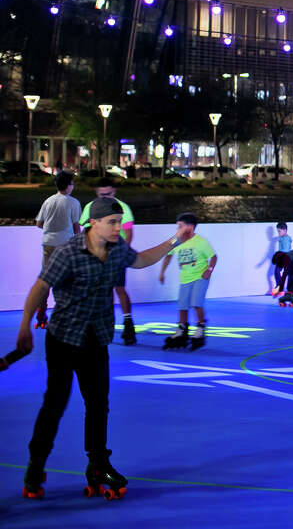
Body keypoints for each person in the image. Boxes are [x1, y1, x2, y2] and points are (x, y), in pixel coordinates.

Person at [16, 197, 195, 500]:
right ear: (93, 223)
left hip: (96, 339)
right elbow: (41, 286)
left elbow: (142, 259)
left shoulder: (116, 250)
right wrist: (25, 326)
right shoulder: (68, 253)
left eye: (120, 222)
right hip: (63, 339)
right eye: (112, 222)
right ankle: (36, 464)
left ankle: (98, 464)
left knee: (98, 405)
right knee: (55, 404)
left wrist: (176, 239)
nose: (119, 228)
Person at [78, 178, 137, 345]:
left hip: (115, 255)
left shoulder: (123, 207)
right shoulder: (90, 207)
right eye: (102, 194)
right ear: (97, 192)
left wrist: (120, 252)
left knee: (119, 289)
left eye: (108, 194)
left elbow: (129, 233)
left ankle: (128, 324)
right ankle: (96, 325)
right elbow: (85, 230)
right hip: (95, 256)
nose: (105, 197)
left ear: (114, 192)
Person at [158, 213, 217, 351]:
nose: (178, 229)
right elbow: (168, 255)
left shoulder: (201, 241)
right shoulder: (176, 241)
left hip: (200, 277)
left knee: (196, 303)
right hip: (185, 278)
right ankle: (182, 328)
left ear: (190, 227)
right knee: (182, 305)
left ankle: (201, 327)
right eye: (177, 226)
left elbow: (214, 257)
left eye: (180, 226)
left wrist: (209, 269)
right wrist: (162, 272)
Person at [33, 171, 82, 328]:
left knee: (46, 280)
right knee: (67, 281)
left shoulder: (48, 201)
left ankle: (41, 314)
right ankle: (66, 315)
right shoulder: (73, 203)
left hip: (48, 244)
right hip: (65, 246)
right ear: (68, 186)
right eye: (72, 183)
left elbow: (39, 224)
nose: (73, 186)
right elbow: (76, 227)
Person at [270, 221, 293, 296]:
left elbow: (285, 250)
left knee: (277, 271)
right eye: (278, 231)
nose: (278, 233)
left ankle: (280, 287)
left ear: (285, 230)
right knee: (288, 272)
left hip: (284, 257)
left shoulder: (286, 239)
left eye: (279, 231)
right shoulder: (283, 238)